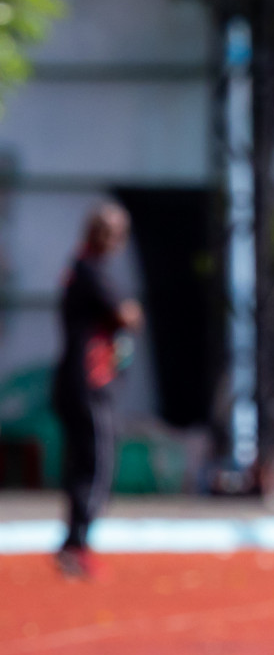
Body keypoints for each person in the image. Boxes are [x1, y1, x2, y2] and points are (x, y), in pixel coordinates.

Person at [52, 202, 141, 579]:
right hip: (88, 383)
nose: (116, 241)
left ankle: (74, 542)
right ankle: (78, 543)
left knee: (83, 463)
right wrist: (130, 314)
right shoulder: (90, 271)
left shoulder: (80, 268)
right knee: (97, 462)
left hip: (78, 381)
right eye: (111, 233)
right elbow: (126, 315)